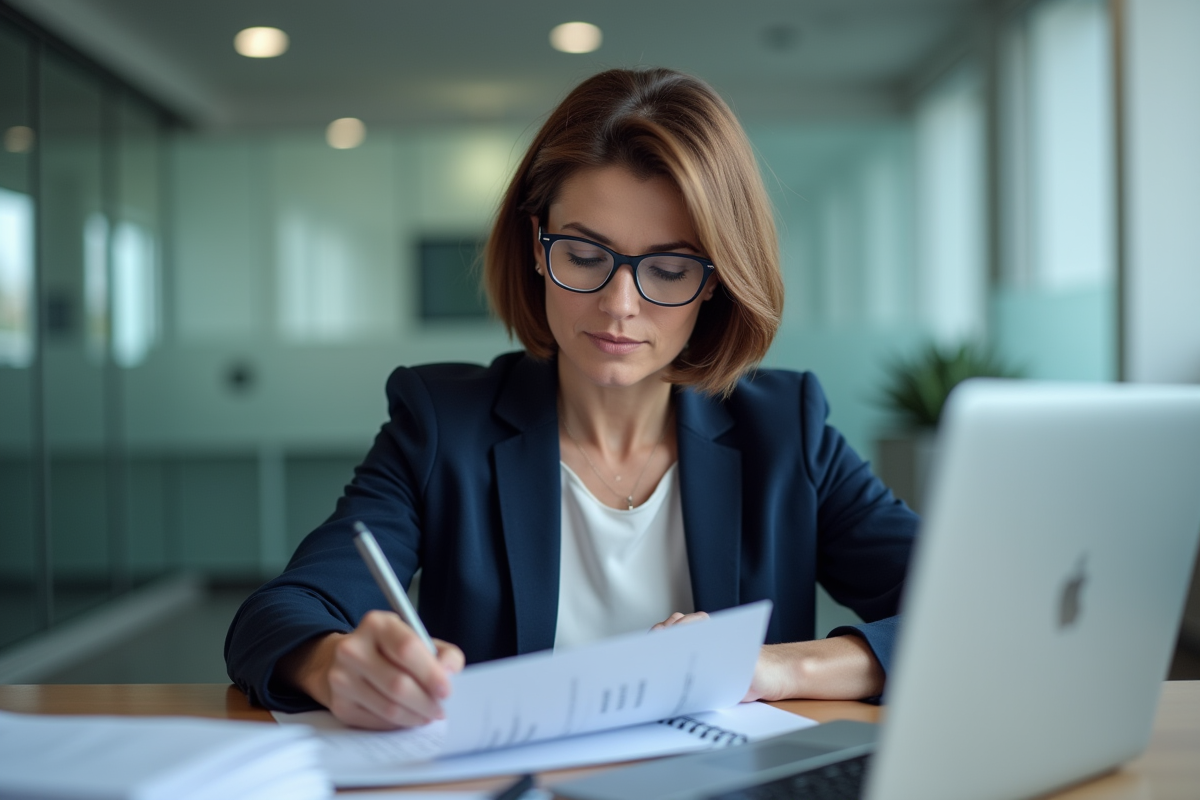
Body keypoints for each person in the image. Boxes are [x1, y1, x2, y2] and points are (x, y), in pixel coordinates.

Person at [225, 67, 918, 730]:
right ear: (536, 246)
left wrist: (773, 669)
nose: (619, 306)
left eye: (670, 268)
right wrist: (332, 664)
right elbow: (281, 614)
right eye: (585, 257)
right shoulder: (443, 426)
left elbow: (964, 607)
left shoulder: (783, 430)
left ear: (715, 281)